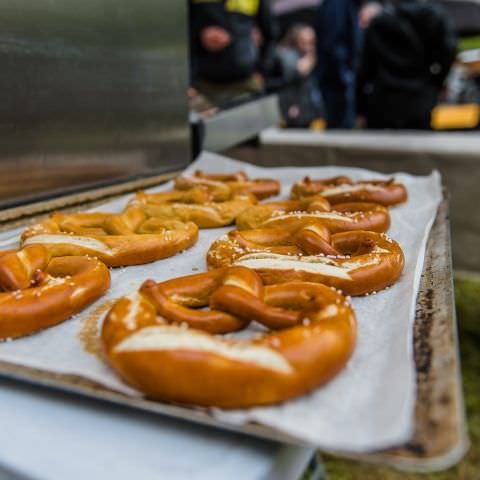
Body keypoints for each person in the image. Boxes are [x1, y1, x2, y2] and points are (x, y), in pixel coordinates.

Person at [358, 0, 457, 129]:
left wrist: (360, 107)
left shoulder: (380, 21)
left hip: (383, 101)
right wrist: (436, 83)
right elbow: (448, 52)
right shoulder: (434, 16)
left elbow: (365, 67)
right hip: (420, 100)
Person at [189, 0, 278, 105]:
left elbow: (271, 35)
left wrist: (263, 71)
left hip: (246, 82)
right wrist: (200, 36)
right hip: (203, 87)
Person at [269, 24, 324, 127]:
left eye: (311, 43)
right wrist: (313, 56)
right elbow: (297, 72)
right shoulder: (288, 55)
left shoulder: (306, 56)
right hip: (293, 111)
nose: (308, 47)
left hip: (309, 111)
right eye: (303, 43)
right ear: (295, 41)